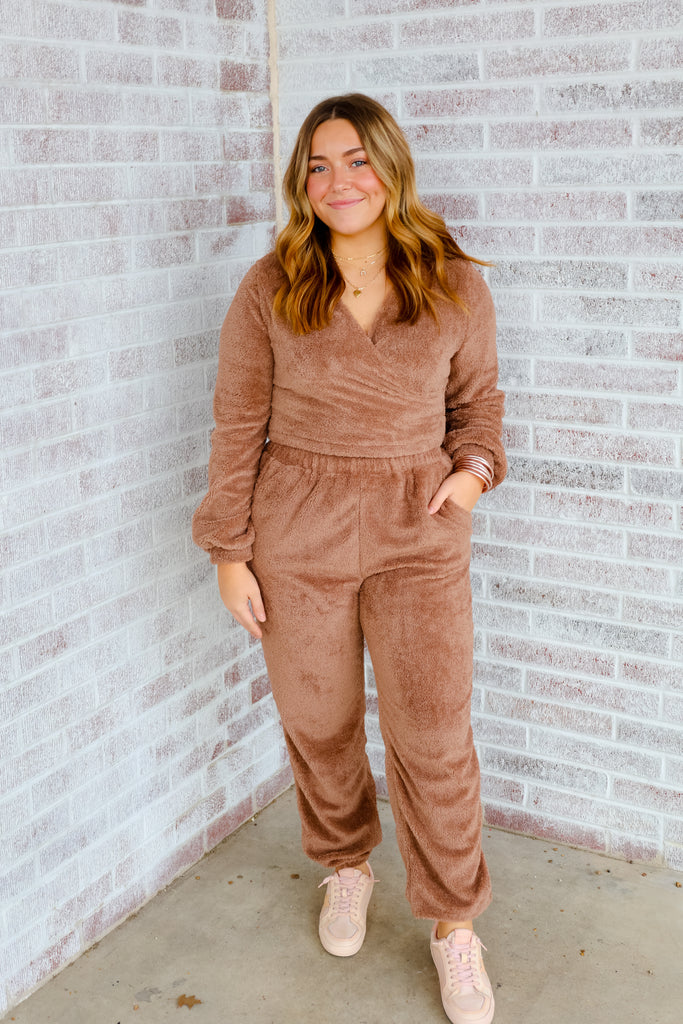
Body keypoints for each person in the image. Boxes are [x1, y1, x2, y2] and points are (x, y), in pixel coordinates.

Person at [192, 93, 506, 1024]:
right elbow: (236, 424)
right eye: (319, 165)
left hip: (418, 529)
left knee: (432, 731)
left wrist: (470, 478)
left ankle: (454, 924)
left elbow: (478, 408)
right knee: (318, 720)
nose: (339, 182)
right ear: (302, 182)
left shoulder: (452, 283)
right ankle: (345, 865)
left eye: (357, 160)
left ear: (391, 167)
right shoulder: (271, 285)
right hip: (298, 527)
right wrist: (228, 551)